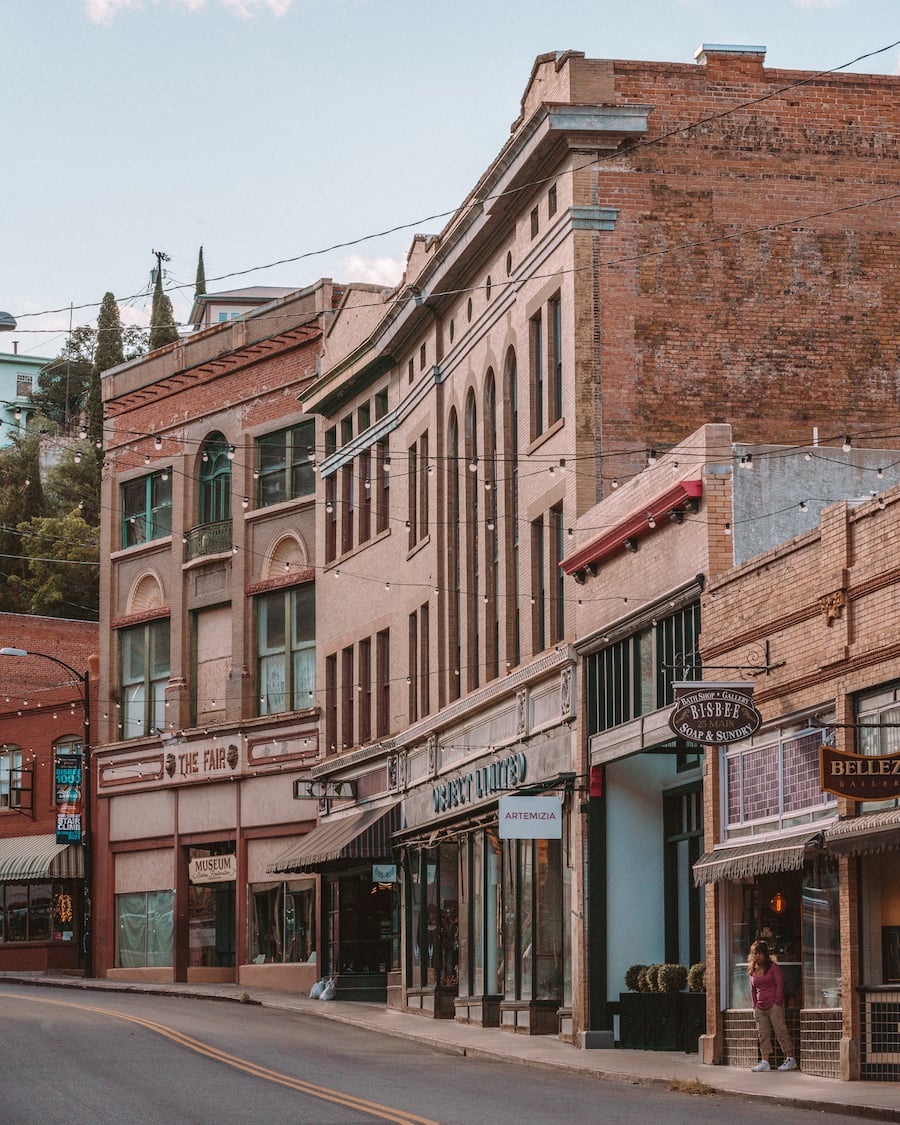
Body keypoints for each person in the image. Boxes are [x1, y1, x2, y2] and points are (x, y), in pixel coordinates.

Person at [748, 939, 797, 1072]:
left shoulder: (773, 967)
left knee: (780, 1031)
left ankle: (790, 1058)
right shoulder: (753, 969)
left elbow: (779, 984)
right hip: (760, 1007)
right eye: (754, 953)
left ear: (765, 954)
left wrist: (777, 1002)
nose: (757, 956)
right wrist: (754, 1004)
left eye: (759, 953)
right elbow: (752, 988)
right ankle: (765, 1061)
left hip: (774, 1005)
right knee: (763, 1034)